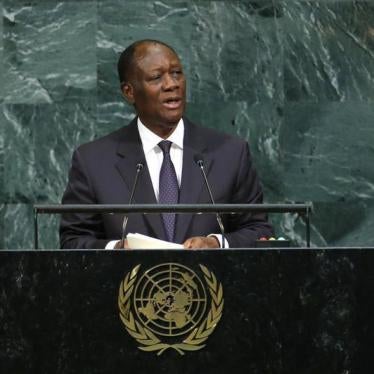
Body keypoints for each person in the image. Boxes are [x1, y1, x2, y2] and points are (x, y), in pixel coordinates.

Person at [60, 39, 273, 249]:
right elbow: (73, 240)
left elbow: (259, 230)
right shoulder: (93, 161)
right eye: (156, 77)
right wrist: (117, 249)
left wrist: (216, 243)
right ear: (129, 92)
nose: (172, 84)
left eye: (177, 73)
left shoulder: (230, 153)